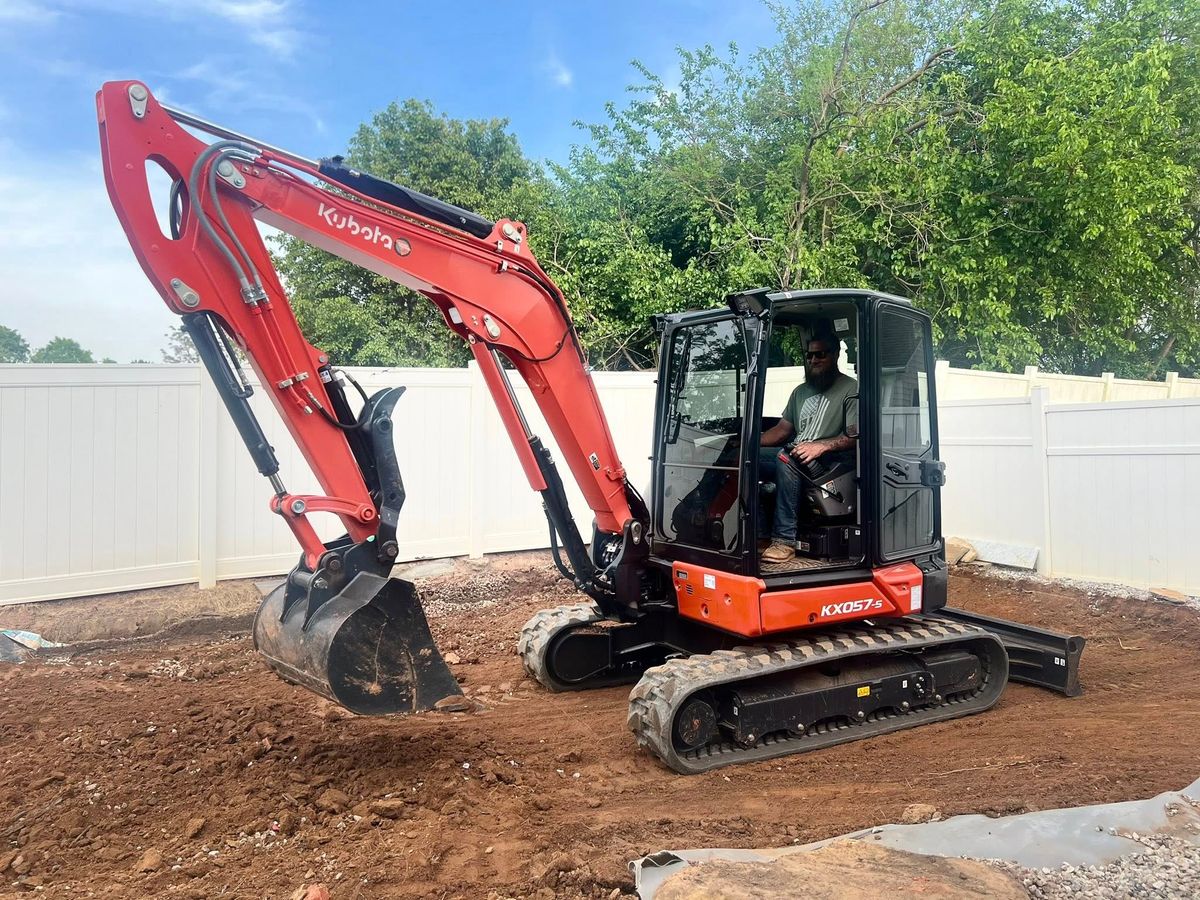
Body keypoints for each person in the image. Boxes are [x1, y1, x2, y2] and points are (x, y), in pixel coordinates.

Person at [759, 331, 858, 562]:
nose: (813, 360)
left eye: (820, 354)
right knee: (741, 459)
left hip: (831, 462)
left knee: (786, 457)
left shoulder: (851, 389)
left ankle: (784, 541)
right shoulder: (800, 392)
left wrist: (821, 446)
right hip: (798, 455)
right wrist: (746, 442)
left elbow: (854, 437)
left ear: (835, 355)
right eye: (810, 355)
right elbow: (782, 430)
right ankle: (760, 534)